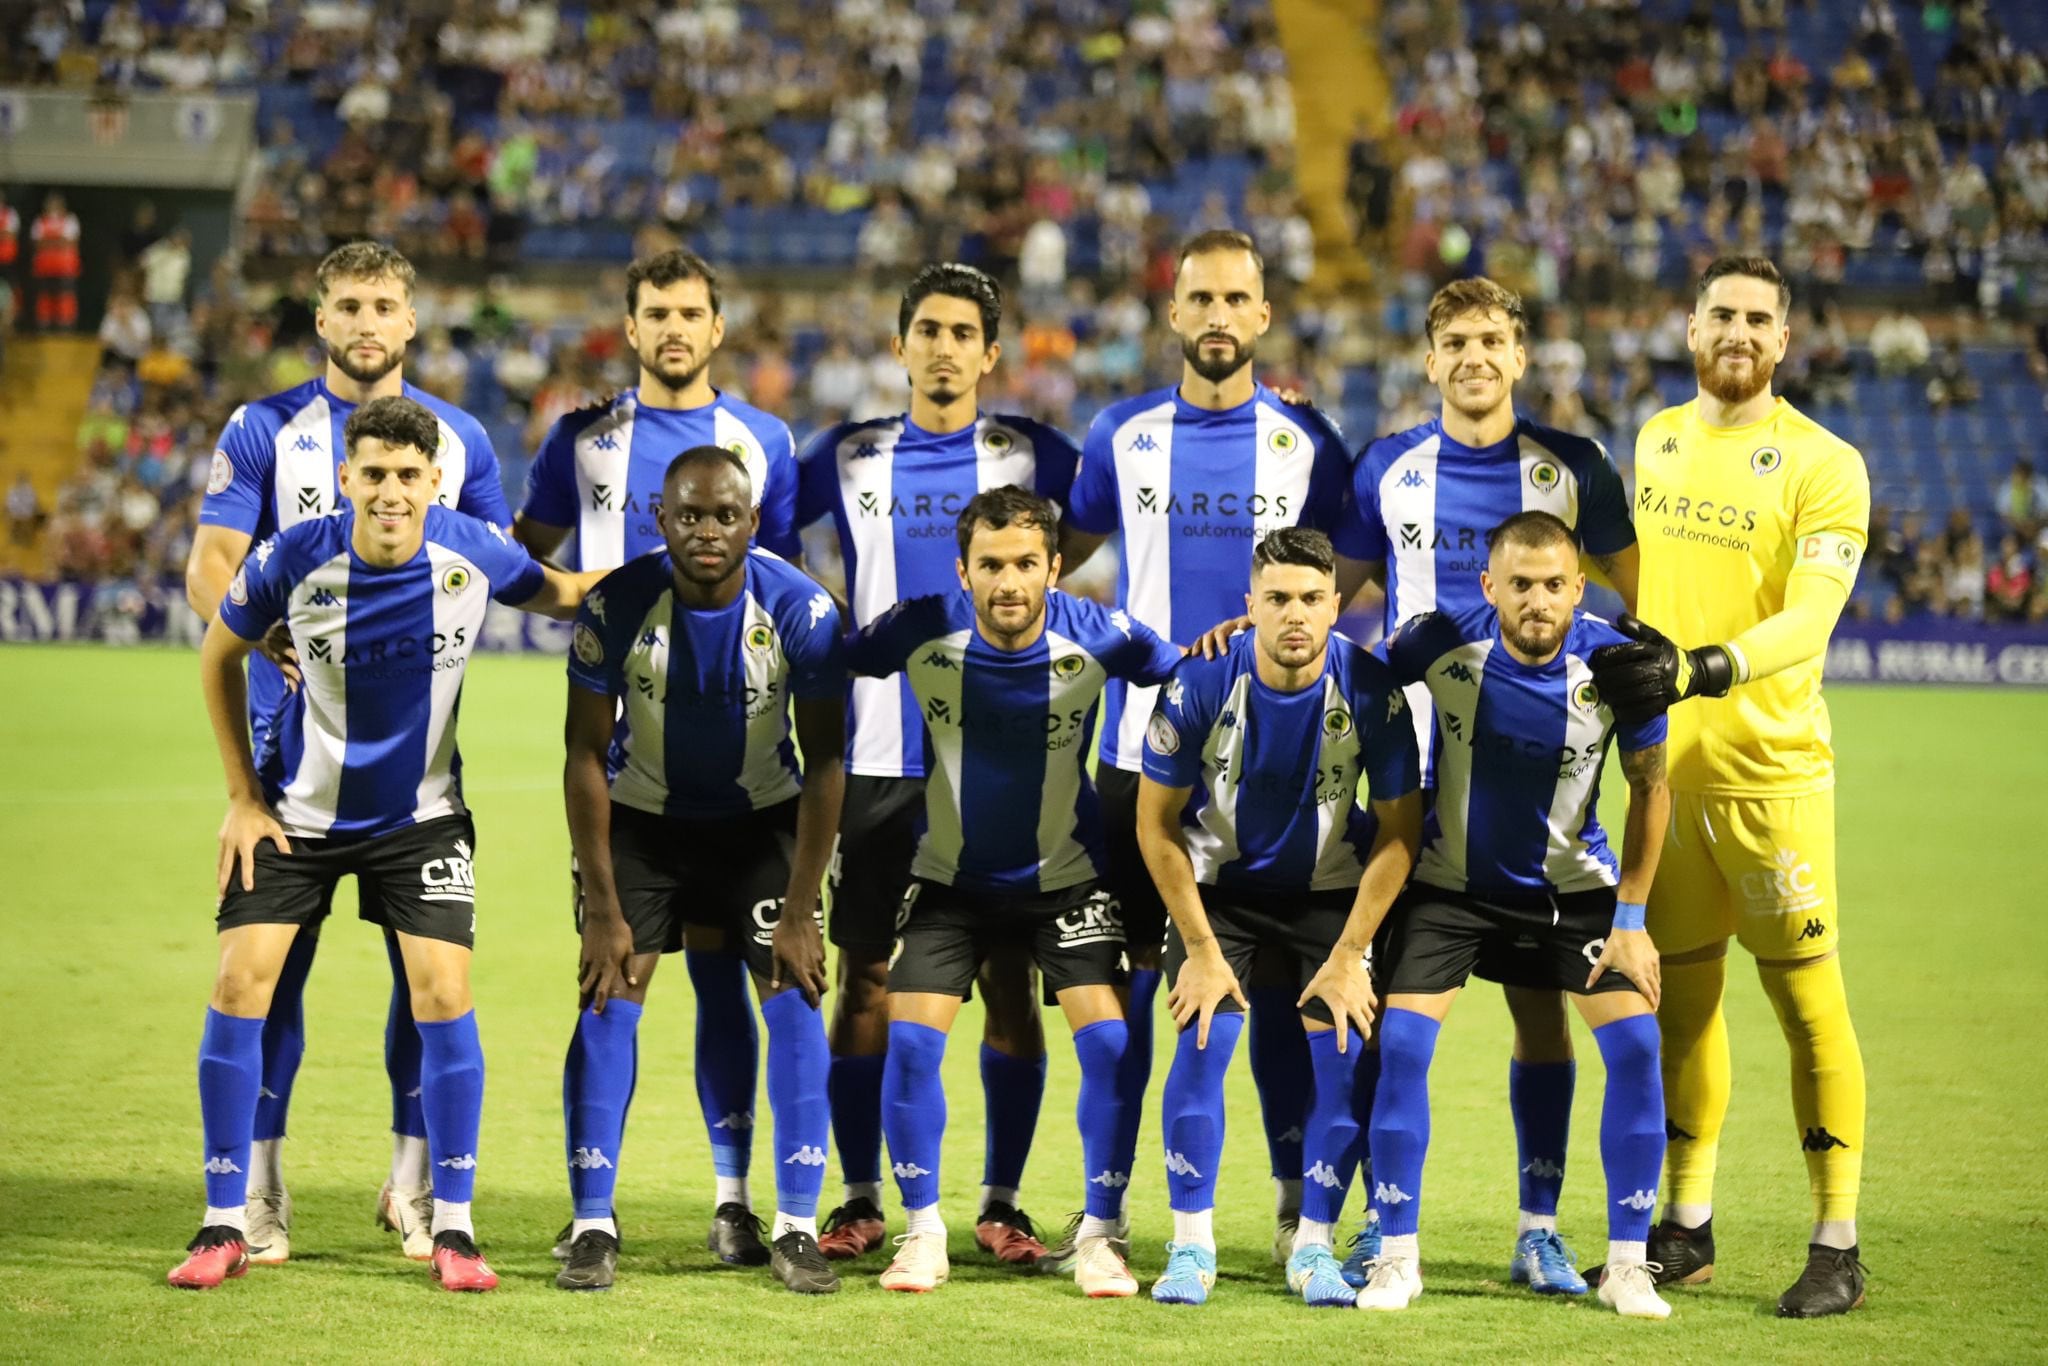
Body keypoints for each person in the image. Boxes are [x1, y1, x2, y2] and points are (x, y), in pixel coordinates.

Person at [167, 396, 598, 1292]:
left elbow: (559, 594)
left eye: (408, 475)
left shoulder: (471, 548)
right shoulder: (294, 555)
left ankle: (455, 1228)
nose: (391, 492)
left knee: (443, 992)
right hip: (298, 816)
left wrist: (669, 564)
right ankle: (224, 1220)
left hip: (419, 820)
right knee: (240, 984)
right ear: (346, 478)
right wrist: (242, 797)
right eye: (374, 474)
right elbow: (217, 656)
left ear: (434, 481)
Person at [181, 240, 513, 1266]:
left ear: (410, 321)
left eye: (383, 306)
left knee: (426, 980)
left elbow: (491, 564)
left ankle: (414, 1184)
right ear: (320, 319)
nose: (367, 323)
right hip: (286, 759)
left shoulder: (461, 438)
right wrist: (266, 630)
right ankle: (259, 1189)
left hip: (409, 756)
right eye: (348, 306)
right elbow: (211, 565)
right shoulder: (262, 429)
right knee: (269, 977)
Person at [1331, 276, 1639, 1294]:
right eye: (1455, 341)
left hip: (1536, 777)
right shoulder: (1385, 466)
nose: (1473, 357)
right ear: (1429, 360)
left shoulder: (1574, 467)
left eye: (1492, 340)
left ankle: (1535, 1228)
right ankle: (1381, 1225)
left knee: (1541, 1012)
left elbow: (1634, 605)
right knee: (1385, 1010)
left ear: (1519, 356)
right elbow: (1332, 599)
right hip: (1407, 786)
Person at [1059, 229, 1352, 1261]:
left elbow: (1342, 568)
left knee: (1270, 988)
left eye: (1237, 299)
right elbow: (1058, 554)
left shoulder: (1308, 443)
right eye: (1201, 298)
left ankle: (1290, 1202)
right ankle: (1105, 1213)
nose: (1218, 315)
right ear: (1174, 312)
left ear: (1263, 315)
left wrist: (1287, 642)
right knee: (1133, 993)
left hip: (1275, 765)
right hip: (1136, 754)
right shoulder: (1120, 434)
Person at [1590, 255, 1871, 1318]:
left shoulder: (1824, 463)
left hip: (1769, 779)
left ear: (1784, 338)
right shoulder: (1656, 437)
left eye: (1758, 318)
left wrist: (1702, 667)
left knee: (1807, 1006)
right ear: (1691, 326)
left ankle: (1836, 1242)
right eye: (1722, 314)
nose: (1738, 332)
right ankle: (1685, 1224)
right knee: (1684, 1005)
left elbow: (1811, 617)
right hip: (1665, 780)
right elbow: (1645, 586)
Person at [516, 248, 801, 1264]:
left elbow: (779, 577)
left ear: (717, 328)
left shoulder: (765, 440)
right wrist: (601, 598)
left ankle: (734, 1200)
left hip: (738, 762)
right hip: (624, 755)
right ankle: (593, 1209)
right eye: (656, 313)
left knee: (726, 984)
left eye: (690, 313)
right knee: (611, 979)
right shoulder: (583, 439)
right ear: (630, 327)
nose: (673, 328)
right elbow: (521, 557)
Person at [795, 264, 1079, 1265]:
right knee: (865, 979)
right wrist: (828, 622)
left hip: (1001, 761)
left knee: (1006, 976)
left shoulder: (1034, 453)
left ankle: (1002, 1202)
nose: (944, 347)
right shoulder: (846, 455)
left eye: (963, 332)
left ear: (991, 352)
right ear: (899, 345)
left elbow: (1090, 534)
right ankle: (860, 1196)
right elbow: (768, 536)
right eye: (928, 330)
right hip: (880, 757)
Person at [842, 486, 1182, 1298]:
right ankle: (923, 1231)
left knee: (1109, 1046)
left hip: (1065, 882)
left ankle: (1099, 1236)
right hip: (949, 882)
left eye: (1026, 564)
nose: (1008, 582)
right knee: (911, 1042)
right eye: (990, 565)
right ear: (963, 571)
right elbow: (836, 657)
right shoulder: (922, 626)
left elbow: (1191, 672)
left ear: (1054, 568)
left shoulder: (1099, 633)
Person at [1359, 511, 1674, 1319]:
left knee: (1636, 1047)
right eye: (1521, 585)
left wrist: (1632, 919)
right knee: (1402, 1044)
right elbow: (1349, 673)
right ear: (1489, 586)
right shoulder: (1439, 642)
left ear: (1579, 588)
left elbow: (1651, 788)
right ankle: (1394, 1254)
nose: (1538, 601)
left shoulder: (1619, 666)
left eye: (1554, 585)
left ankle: (1613, 1259)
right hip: (1450, 886)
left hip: (1573, 892)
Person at [555, 447, 846, 1295]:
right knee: (608, 994)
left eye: (725, 515)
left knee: (793, 997)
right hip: (644, 824)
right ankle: (592, 1223)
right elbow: (583, 753)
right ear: (661, 520)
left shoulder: (801, 609)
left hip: (761, 826)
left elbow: (827, 763)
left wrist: (802, 909)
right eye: (689, 515)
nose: (707, 531)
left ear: (753, 522)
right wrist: (602, 906)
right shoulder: (616, 605)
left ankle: (789, 1225)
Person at [1137, 528, 1423, 1308]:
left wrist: (1351, 952)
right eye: (1277, 599)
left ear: (1336, 605)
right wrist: (1200, 949)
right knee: (1203, 1036)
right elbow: (1154, 826)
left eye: (1310, 599)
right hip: (1219, 895)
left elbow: (1400, 832)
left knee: (1343, 1049)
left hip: (1328, 894)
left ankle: (1313, 1245)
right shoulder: (1200, 684)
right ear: (1250, 606)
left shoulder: (1370, 691)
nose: (1294, 615)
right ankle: (1191, 1247)